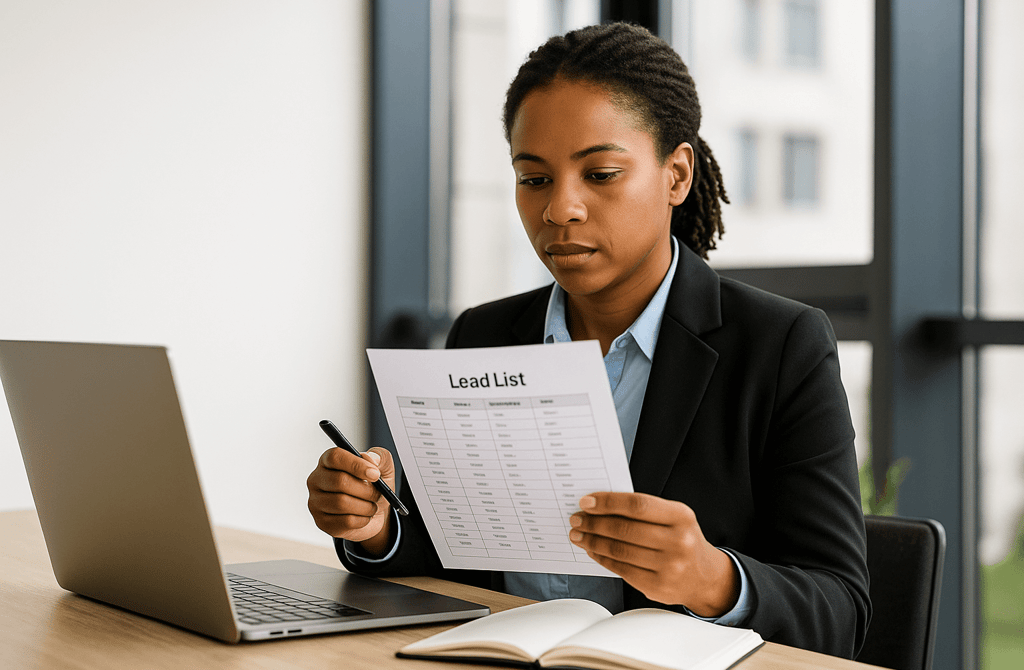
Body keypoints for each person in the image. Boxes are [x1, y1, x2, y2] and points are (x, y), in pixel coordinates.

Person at [307, 22, 870, 659]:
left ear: (676, 175)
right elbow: (445, 549)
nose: (560, 210)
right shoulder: (485, 335)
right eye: (534, 178)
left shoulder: (781, 345)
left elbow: (842, 612)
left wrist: (712, 579)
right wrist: (378, 526)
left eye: (600, 174)